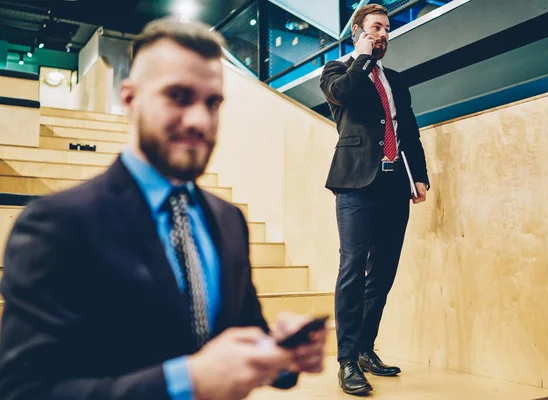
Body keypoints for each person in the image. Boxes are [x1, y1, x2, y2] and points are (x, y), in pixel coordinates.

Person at [0, 17, 326, 400]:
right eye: (179, 96)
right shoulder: (56, 224)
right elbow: (24, 390)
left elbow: (241, 333)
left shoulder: (229, 219)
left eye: (213, 102)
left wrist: (283, 352)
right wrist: (187, 382)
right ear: (129, 98)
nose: (200, 120)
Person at [319, 4, 430, 396]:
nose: (384, 34)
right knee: (352, 269)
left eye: (387, 29)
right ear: (358, 33)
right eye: (376, 29)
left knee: (382, 274)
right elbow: (341, 95)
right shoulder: (337, 71)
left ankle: (365, 349)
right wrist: (362, 59)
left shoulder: (397, 81)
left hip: (393, 185)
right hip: (353, 185)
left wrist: (419, 177)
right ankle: (347, 360)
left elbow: (409, 133)